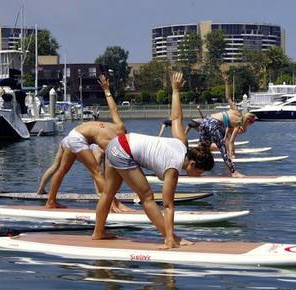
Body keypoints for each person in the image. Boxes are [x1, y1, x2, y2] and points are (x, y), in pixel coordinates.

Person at [92, 72, 214, 249]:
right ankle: (170, 238)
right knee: (147, 197)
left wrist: (175, 90)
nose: (199, 176)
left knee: (108, 193)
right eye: (200, 173)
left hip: (116, 144)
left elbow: (176, 118)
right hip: (122, 151)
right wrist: (170, 238)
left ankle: (98, 232)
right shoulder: (173, 168)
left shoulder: (182, 143)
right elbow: (168, 206)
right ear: (193, 164)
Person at [38, 74, 132, 212]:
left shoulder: (119, 126)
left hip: (73, 134)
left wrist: (106, 90)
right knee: (97, 173)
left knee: (62, 170)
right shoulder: (110, 142)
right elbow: (107, 169)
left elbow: (114, 109)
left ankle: (51, 201)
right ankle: (114, 204)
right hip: (77, 139)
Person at [197, 73, 255, 177]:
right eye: (251, 122)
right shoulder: (236, 112)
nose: (250, 124)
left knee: (203, 148)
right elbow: (228, 97)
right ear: (248, 119)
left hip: (206, 121)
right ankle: (234, 172)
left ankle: (195, 167)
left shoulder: (238, 123)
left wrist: (224, 138)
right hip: (213, 124)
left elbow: (229, 131)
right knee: (223, 150)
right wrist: (227, 83)